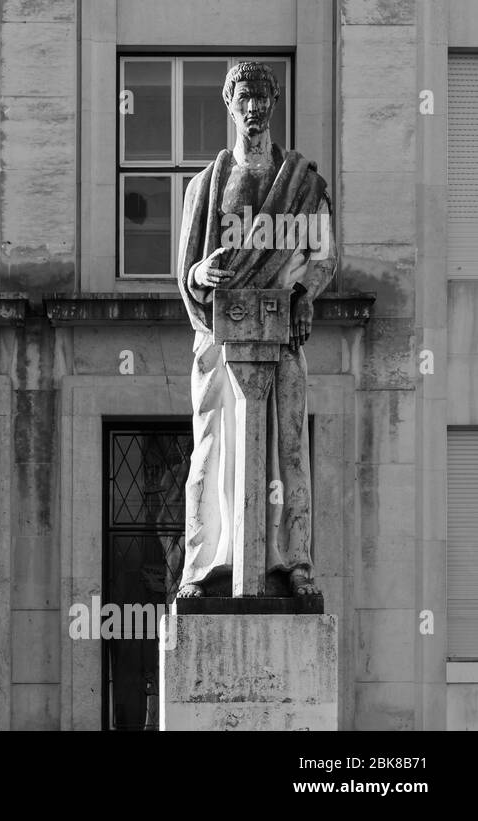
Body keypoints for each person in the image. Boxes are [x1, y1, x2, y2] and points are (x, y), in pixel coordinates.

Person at [175, 62, 338, 598]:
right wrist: (201, 274)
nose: (254, 106)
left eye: (263, 96)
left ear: (274, 102)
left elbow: (323, 257)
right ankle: (203, 567)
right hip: (221, 339)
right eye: (244, 95)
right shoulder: (205, 186)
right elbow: (186, 270)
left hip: (282, 331)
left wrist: (305, 296)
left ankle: (294, 563)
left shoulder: (304, 184)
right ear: (229, 102)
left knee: (290, 448)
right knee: (211, 449)